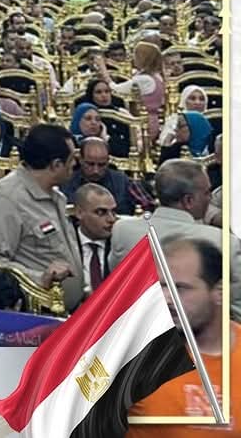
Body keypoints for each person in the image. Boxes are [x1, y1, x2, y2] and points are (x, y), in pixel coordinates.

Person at [123, 238, 238, 433]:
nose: (166, 298)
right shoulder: (129, 357)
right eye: (161, 287)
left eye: (180, 288)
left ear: (219, 292)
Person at [110, 159, 241, 319]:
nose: (210, 198)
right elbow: (236, 309)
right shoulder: (224, 242)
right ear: (188, 201)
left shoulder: (122, 231)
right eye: (207, 193)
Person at [0, 125, 85, 311]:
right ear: (56, 165)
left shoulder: (56, 196)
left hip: (65, 312)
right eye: (71, 159)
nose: (75, 164)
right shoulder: (5, 199)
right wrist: (40, 278)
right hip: (33, 313)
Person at [62, 137, 135, 215]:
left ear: (108, 161)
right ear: (80, 160)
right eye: (90, 164)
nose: (95, 170)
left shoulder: (122, 181)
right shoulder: (66, 181)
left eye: (101, 165)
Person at [72, 183, 117, 295]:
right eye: (101, 212)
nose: (111, 219)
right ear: (79, 213)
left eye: (113, 212)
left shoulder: (119, 244)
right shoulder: (65, 243)